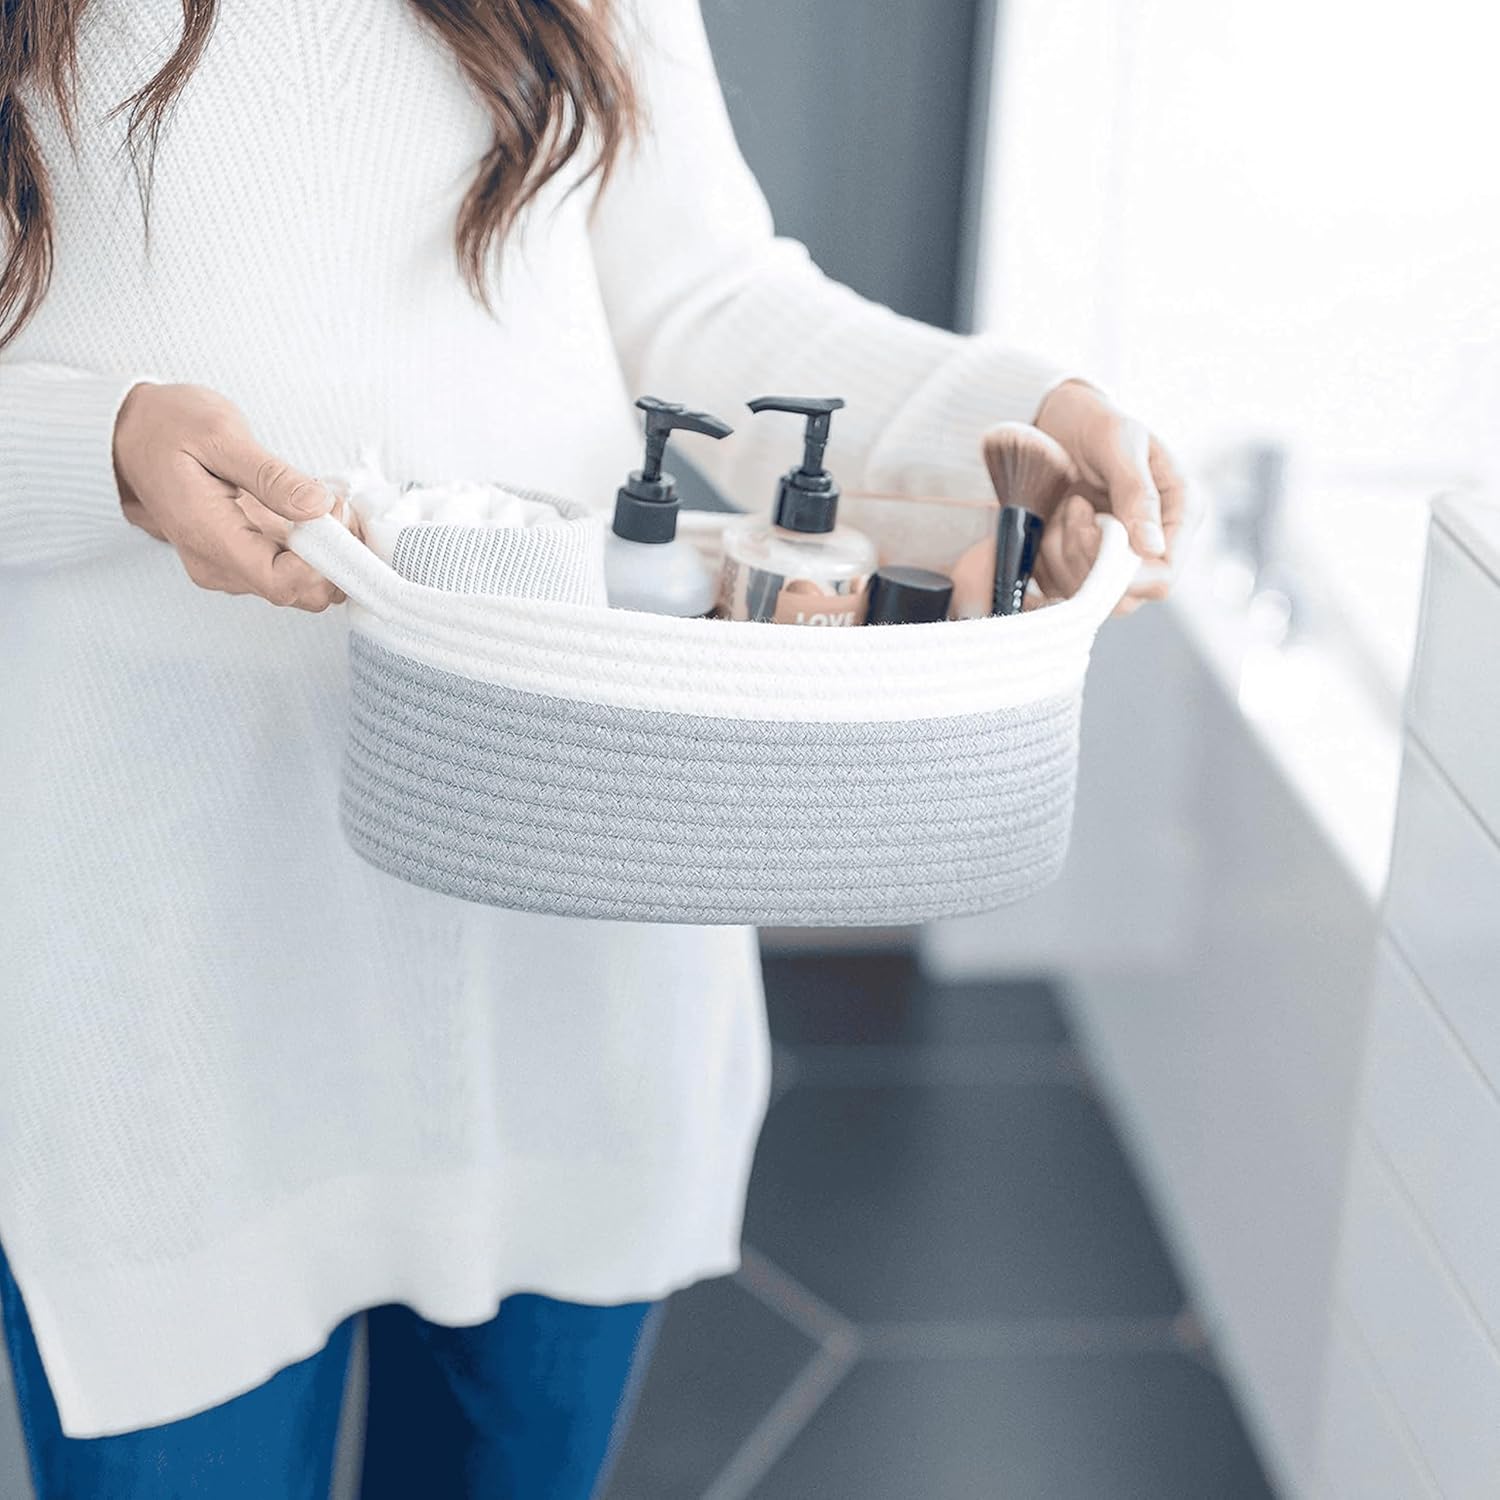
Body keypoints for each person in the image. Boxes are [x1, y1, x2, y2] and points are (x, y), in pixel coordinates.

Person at [0, 1, 1188, 1495]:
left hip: (564, 911)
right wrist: (99, 447)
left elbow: (704, 300)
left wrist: (1019, 417)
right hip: (163, 936)